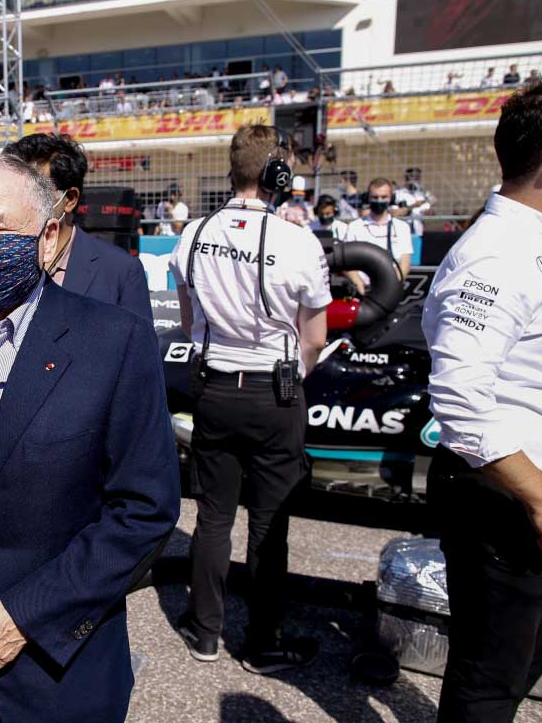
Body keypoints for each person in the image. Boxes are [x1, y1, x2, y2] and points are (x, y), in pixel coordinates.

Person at [0, 154, 179, 722]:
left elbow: (143, 510)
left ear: (48, 237)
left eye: (0, 228)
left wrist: (24, 614)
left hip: (55, 667)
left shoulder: (113, 341)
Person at [424, 75, 542, 723]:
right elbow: (461, 401)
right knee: (488, 677)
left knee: (535, 646)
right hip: (508, 495)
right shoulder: (496, 254)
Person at [170, 125, 330, 674]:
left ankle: (205, 632)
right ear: (276, 176)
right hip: (274, 393)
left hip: (214, 387)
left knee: (212, 517)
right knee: (269, 523)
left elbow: (191, 322)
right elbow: (313, 338)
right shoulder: (299, 241)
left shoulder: (192, 233)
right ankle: (262, 644)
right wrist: (291, 377)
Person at [2, 133, 153, 322]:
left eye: (33, 192)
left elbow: (139, 348)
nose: (17, 202)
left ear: (70, 199)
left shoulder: (120, 271)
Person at [342, 178, 413, 292]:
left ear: (391, 198)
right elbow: (345, 262)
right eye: (375, 197)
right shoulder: (354, 227)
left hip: (390, 290)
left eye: (384, 197)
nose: (379, 201)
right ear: (368, 198)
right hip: (362, 289)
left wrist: (392, 286)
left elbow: (405, 263)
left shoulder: (402, 228)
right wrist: (358, 283)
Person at [395, 166, 433, 236]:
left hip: (418, 231)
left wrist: (428, 211)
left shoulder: (423, 194)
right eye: (412, 177)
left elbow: (430, 212)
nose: (415, 180)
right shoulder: (398, 194)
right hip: (401, 231)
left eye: (417, 178)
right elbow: (396, 213)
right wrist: (414, 205)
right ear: (406, 179)